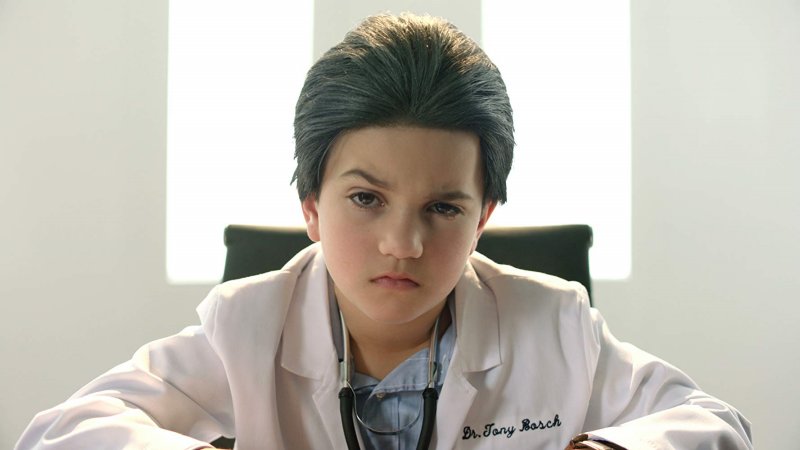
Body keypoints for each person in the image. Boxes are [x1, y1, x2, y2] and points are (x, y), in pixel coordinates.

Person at [17, 13, 752, 450]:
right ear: (310, 205)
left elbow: (716, 425)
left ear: (484, 216)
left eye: (444, 208)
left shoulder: (557, 325)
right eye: (367, 198)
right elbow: (59, 433)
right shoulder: (244, 326)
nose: (404, 244)